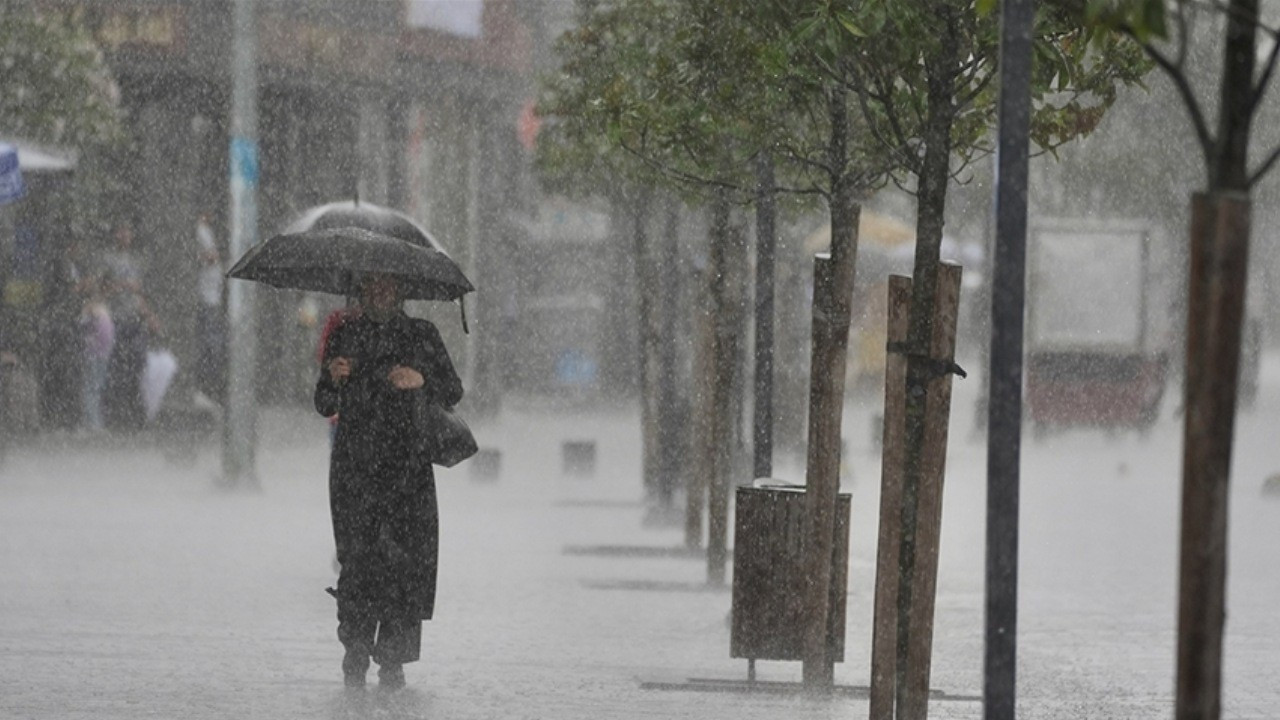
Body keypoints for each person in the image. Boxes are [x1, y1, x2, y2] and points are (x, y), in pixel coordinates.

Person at [314, 273, 462, 690]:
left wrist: (422, 380)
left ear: (401, 290)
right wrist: (333, 376)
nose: (379, 291)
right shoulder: (345, 333)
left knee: (405, 564)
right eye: (372, 284)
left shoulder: (422, 334)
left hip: (407, 469)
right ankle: (355, 649)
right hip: (354, 469)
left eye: (388, 285)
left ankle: (393, 658)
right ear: (362, 290)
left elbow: (453, 390)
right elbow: (323, 401)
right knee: (358, 561)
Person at [193, 213, 226, 403]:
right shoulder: (198, 231)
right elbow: (200, 256)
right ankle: (204, 387)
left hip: (214, 297)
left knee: (214, 344)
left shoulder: (208, 231)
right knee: (209, 344)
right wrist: (210, 256)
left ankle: (210, 388)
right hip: (206, 297)